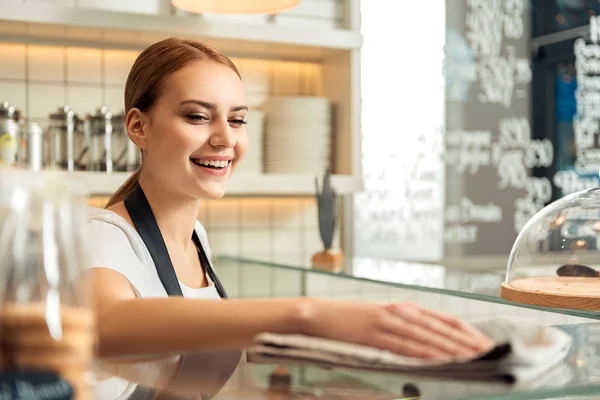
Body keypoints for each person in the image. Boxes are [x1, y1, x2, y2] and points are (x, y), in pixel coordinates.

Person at [87, 38, 493, 399]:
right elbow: (107, 327)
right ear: (138, 126)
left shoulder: (196, 238)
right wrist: (306, 317)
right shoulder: (102, 236)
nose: (226, 138)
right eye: (197, 116)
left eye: (238, 119)